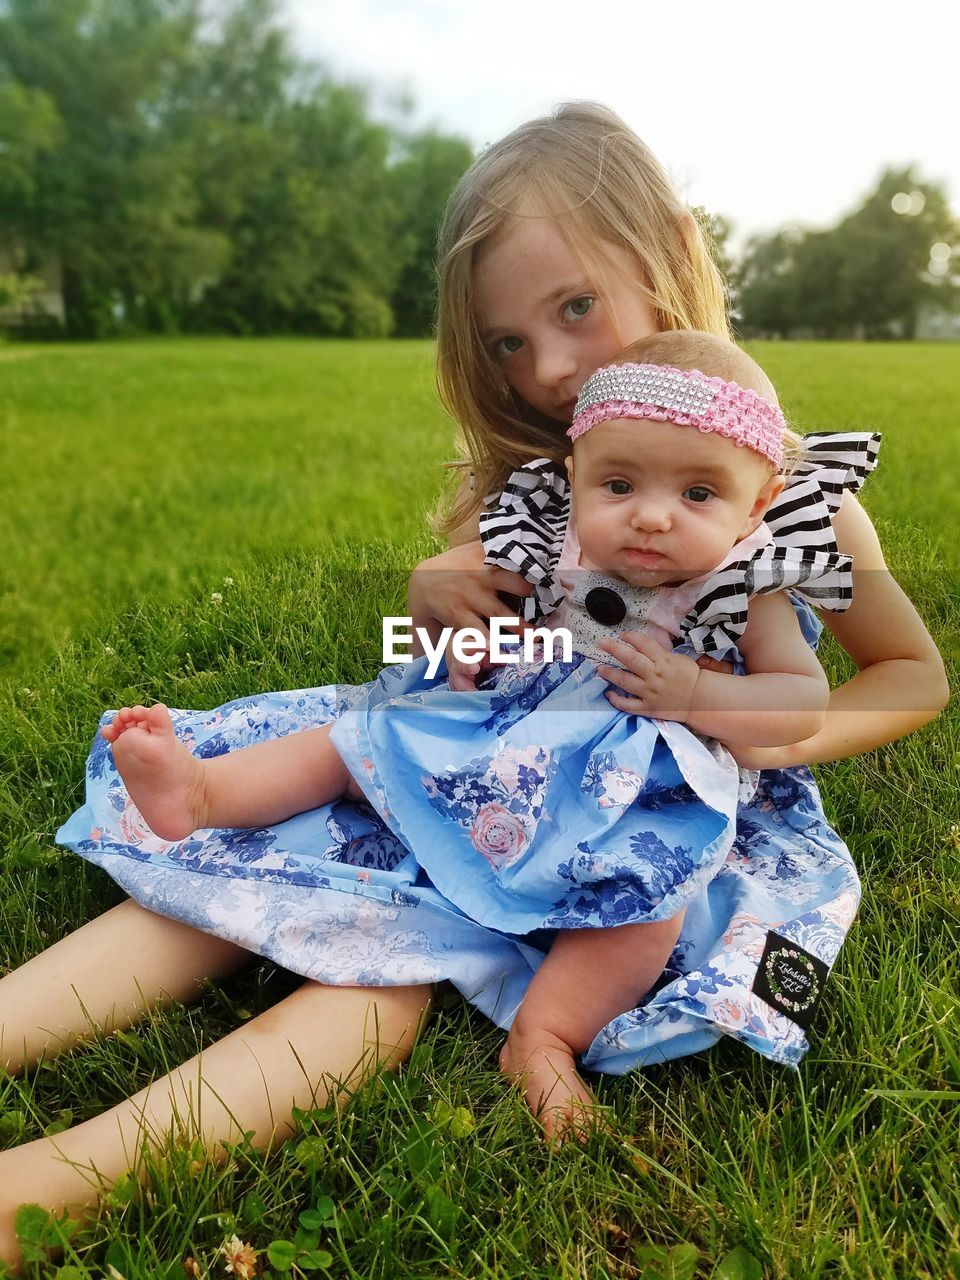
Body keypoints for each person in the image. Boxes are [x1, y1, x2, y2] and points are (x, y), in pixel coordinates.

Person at [0, 103, 946, 1264]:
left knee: (391, 963)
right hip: (479, 757)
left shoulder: (780, 496)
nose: (546, 368)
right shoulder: (548, 488)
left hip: (650, 813)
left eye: (575, 308)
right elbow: (472, 663)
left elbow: (910, 678)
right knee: (274, 845)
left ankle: (38, 1190)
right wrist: (436, 596)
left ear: (667, 262)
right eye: (506, 343)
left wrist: (751, 730)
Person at [89, 331, 841, 1135]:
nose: (652, 517)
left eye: (699, 495)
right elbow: (504, 630)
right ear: (575, 476)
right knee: (359, 743)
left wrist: (695, 692)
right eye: (618, 484)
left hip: (627, 795)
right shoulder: (550, 549)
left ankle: (546, 1035)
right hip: (499, 732)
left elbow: (801, 704)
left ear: (756, 504)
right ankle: (204, 792)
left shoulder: (747, 592)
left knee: (647, 905)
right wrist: (472, 649)